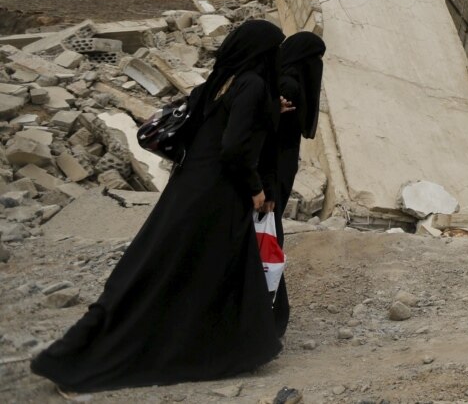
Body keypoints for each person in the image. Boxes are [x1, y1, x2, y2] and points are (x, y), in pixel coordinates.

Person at [31, 20, 285, 392]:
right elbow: (234, 147)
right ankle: (195, 350)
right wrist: (256, 189)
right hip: (217, 194)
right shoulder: (254, 84)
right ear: (263, 52)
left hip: (187, 186)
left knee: (155, 267)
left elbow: (216, 124)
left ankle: (78, 348)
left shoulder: (223, 79)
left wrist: (270, 108)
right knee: (197, 270)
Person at [260, 31, 326, 337]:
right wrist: (267, 184)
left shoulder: (280, 79)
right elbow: (269, 141)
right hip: (271, 175)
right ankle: (267, 314)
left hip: (276, 172)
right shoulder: (289, 85)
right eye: (316, 59)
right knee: (268, 238)